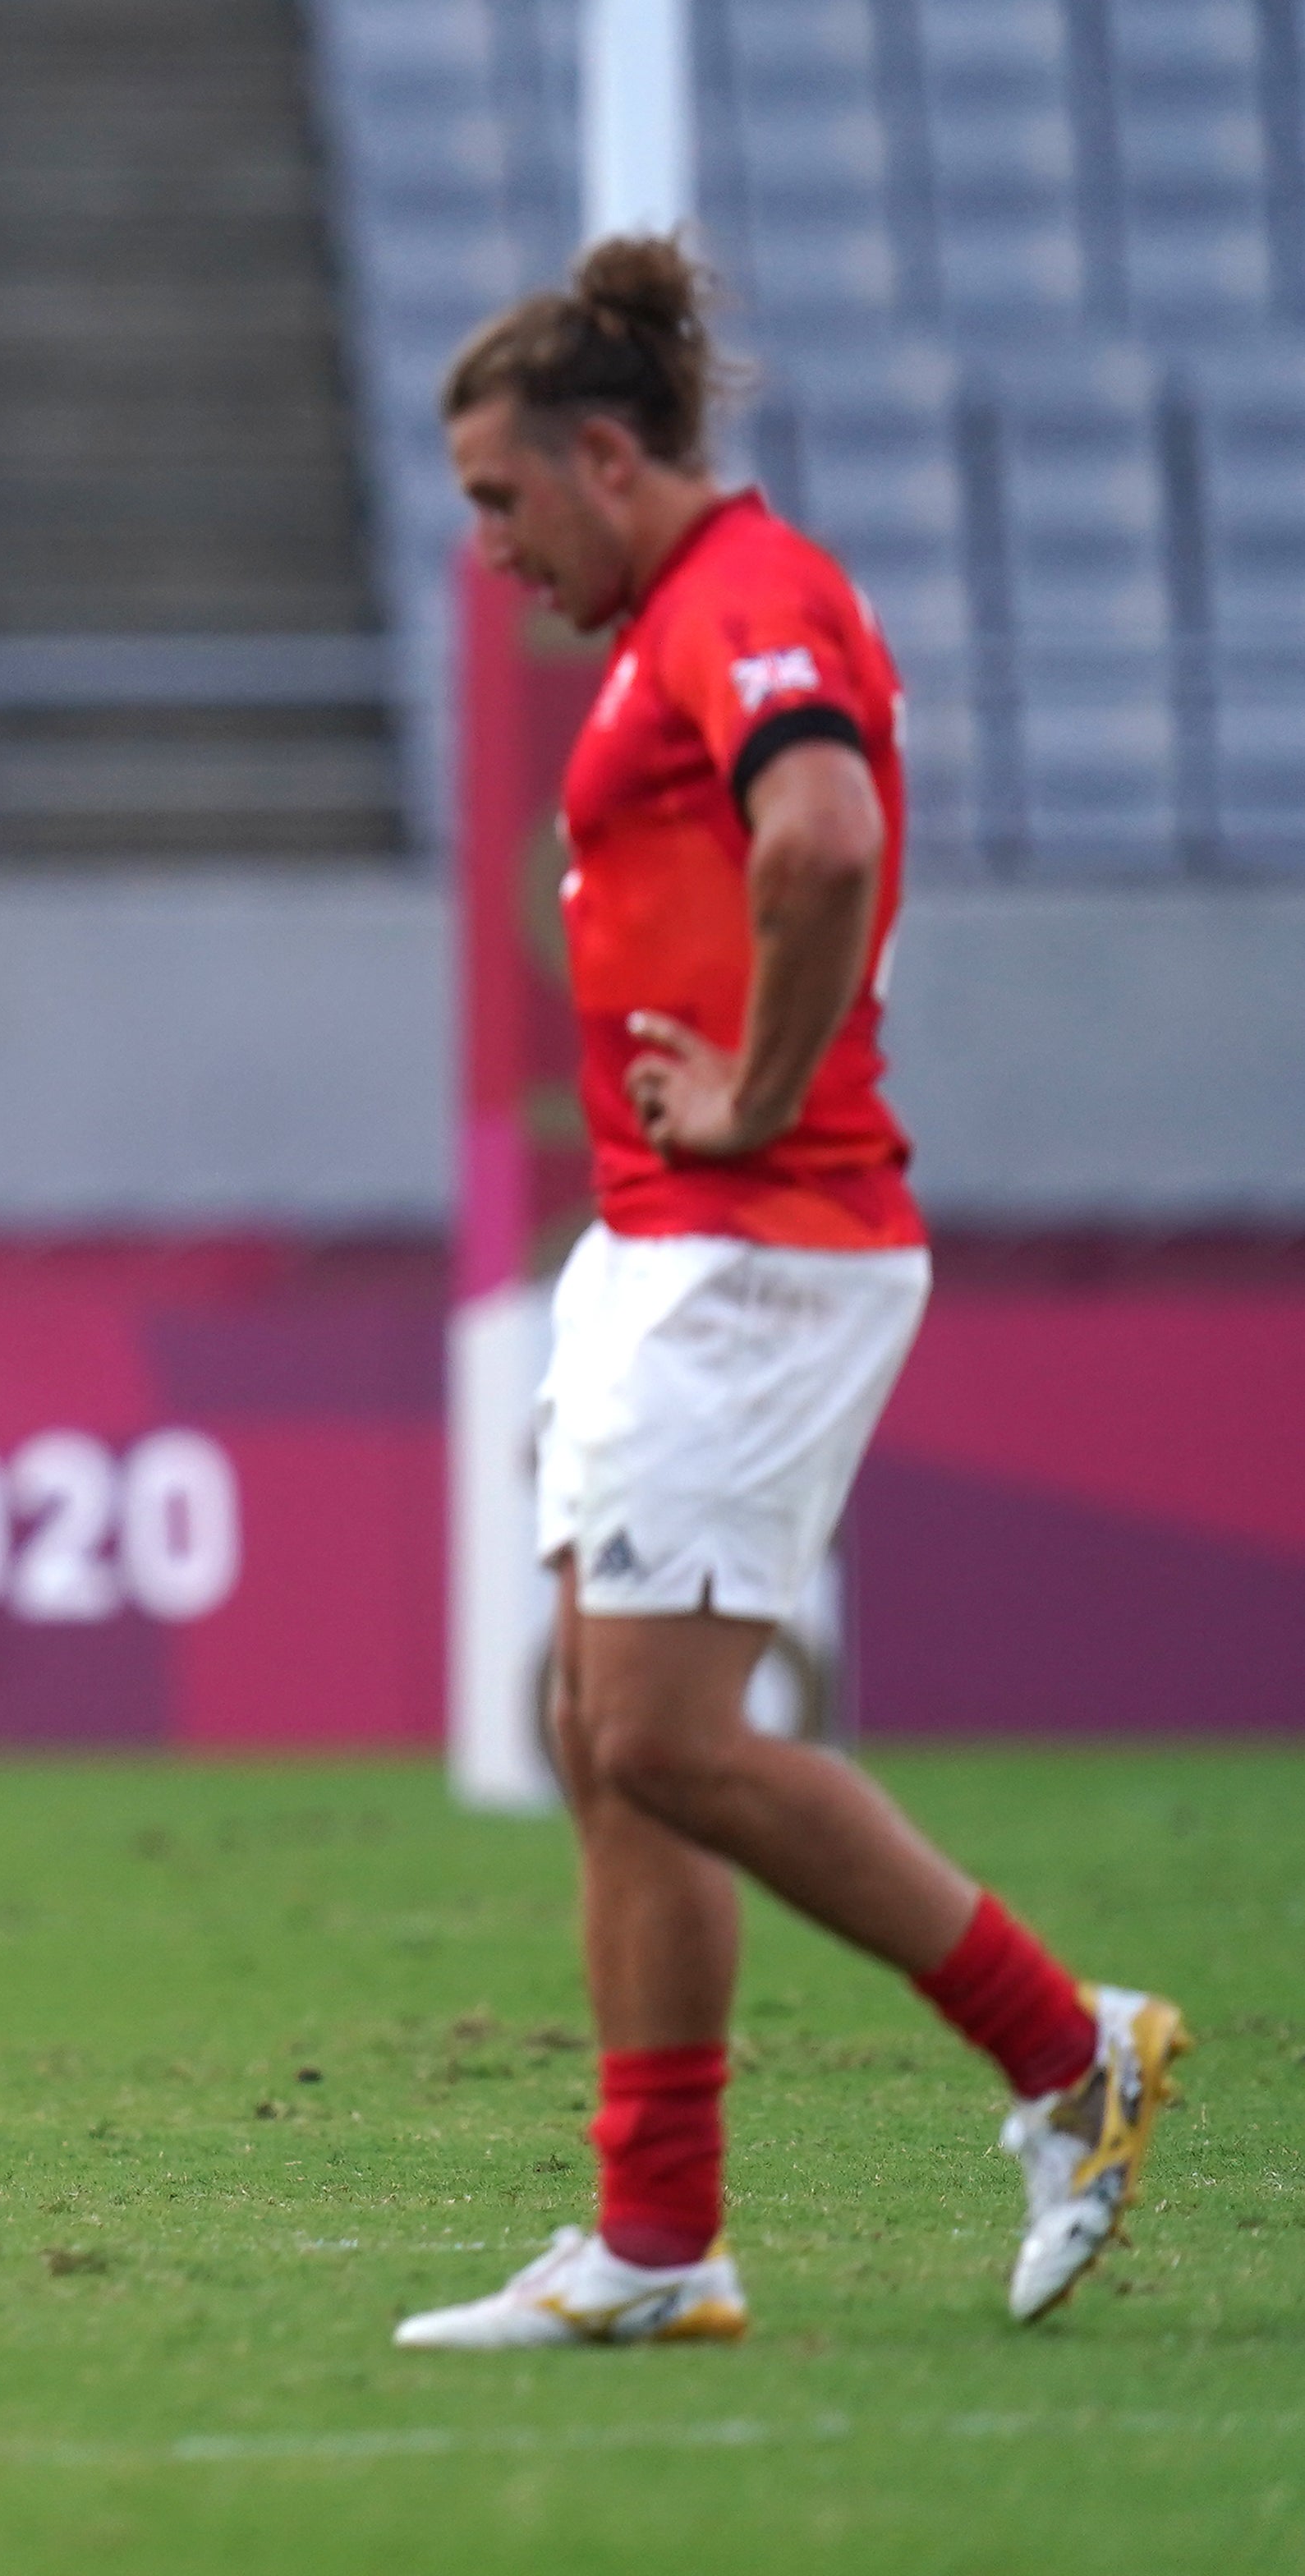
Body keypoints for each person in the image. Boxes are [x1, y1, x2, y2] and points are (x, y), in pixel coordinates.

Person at [393, 239, 1185, 2350]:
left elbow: (819, 837)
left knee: (658, 1731)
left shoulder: (745, 602)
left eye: (497, 501)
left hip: (758, 1249)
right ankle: (655, 2242)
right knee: (602, 1735)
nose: (485, 548)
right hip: (672, 1246)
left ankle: (1062, 2046)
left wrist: (752, 1087)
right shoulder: (685, 617)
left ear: (600, 452)